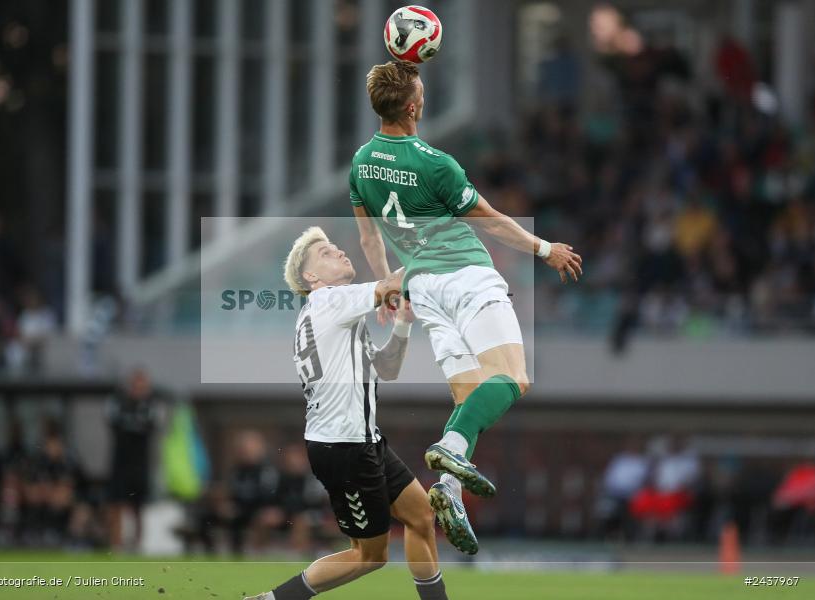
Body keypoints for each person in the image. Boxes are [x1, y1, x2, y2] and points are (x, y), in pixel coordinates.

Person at [350, 60, 583, 553]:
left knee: (468, 400)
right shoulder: (435, 163)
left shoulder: (360, 164)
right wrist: (546, 249)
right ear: (413, 106)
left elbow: (369, 236)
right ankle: (447, 452)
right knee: (513, 378)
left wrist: (387, 285)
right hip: (466, 276)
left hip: (424, 289)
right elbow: (493, 221)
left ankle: (449, 490)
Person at [244, 227, 447, 600]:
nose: (339, 252)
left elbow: (386, 369)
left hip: (363, 439)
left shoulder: (336, 314)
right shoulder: (329, 301)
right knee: (369, 556)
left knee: (420, 516)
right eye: (325, 252)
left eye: (335, 246)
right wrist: (438, 243)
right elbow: (394, 281)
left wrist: (402, 322)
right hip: (342, 448)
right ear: (312, 277)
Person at [106, 368, 157, 550]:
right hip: (120, 464)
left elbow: (149, 426)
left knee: (138, 507)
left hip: (139, 466)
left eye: (142, 385)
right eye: (135, 384)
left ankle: (137, 545)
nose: (138, 388)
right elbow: (112, 423)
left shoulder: (150, 406)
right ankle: (116, 545)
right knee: (116, 504)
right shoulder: (119, 403)